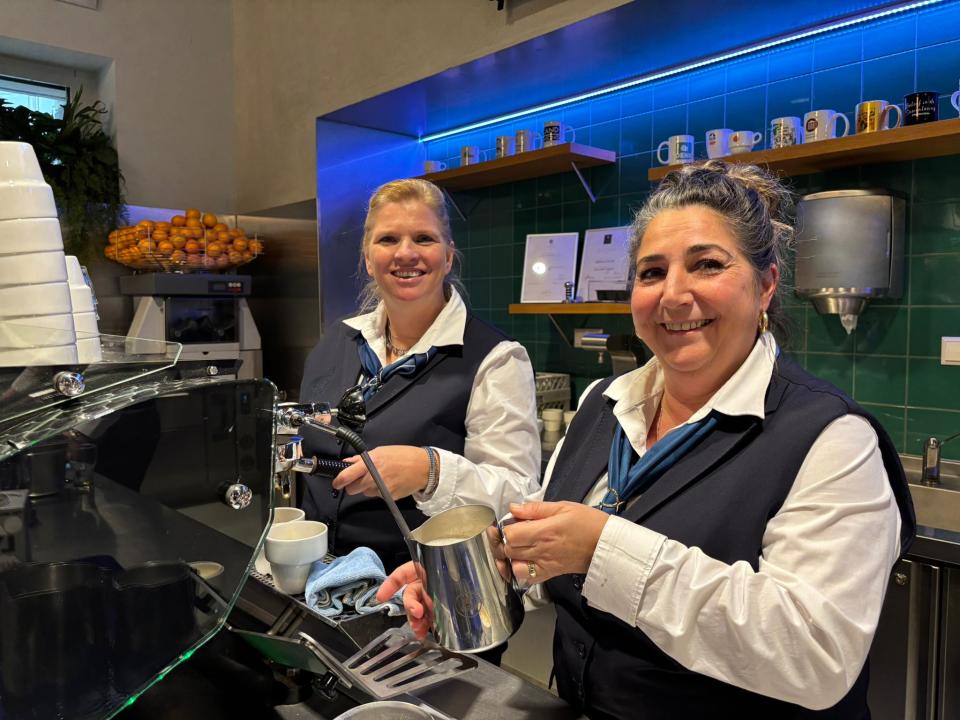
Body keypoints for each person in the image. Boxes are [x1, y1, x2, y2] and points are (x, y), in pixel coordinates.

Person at [379, 161, 916, 718]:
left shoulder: (833, 440)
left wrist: (603, 548)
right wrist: (471, 576)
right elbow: (550, 566)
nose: (674, 295)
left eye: (707, 264)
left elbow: (816, 654)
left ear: (766, 284)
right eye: (652, 272)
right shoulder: (602, 405)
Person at [299, 178, 540, 571]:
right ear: (367, 258)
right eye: (388, 239)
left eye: (424, 238)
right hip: (321, 581)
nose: (405, 253)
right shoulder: (337, 341)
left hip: (429, 594)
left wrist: (429, 471)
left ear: (448, 257)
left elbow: (518, 497)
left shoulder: (496, 359)